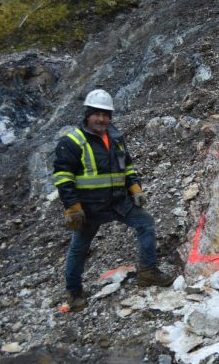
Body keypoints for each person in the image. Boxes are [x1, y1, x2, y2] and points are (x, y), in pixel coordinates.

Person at [53, 89, 174, 311]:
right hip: (89, 207)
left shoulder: (116, 138)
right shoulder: (72, 142)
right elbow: (63, 177)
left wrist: (135, 188)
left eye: (105, 115)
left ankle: (147, 271)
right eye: (97, 114)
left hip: (118, 202)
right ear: (88, 115)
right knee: (79, 248)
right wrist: (72, 207)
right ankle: (74, 292)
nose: (101, 119)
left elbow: (127, 166)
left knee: (145, 223)